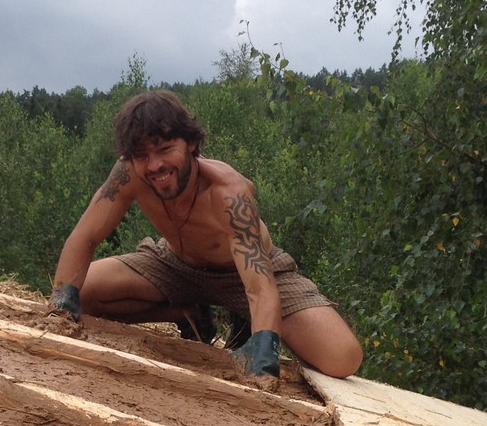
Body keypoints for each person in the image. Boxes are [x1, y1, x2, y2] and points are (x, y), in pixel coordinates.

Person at [48, 90, 362, 380]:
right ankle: (187, 314)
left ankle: (247, 323)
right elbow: (85, 235)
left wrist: (264, 349)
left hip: (246, 275)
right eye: (142, 155)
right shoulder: (128, 173)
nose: (155, 165)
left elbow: (259, 285)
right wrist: (61, 306)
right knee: (81, 292)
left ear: (191, 144)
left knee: (342, 357)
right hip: (174, 263)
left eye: (165, 150)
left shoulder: (229, 193)